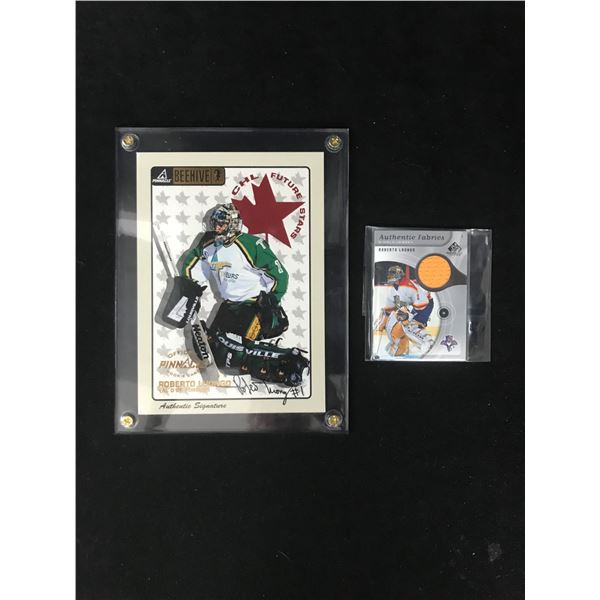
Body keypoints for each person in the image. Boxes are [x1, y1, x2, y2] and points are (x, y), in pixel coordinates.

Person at [180, 203, 309, 386]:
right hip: (228, 305)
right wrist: (190, 288)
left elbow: (280, 275)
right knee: (215, 348)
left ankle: (293, 364)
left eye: (221, 224)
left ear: (233, 224)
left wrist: (271, 302)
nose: (217, 228)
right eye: (215, 223)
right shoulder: (209, 244)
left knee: (238, 354)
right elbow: (192, 265)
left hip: (253, 306)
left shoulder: (250, 244)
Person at [375, 265, 434, 356]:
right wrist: (383, 321)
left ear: (399, 275)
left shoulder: (408, 286)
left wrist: (418, 319)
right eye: (389, 274)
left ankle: (429, 344)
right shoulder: (393, 287)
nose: (389, 276)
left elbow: (422, 303)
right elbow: (389, 308)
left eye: (392, 274)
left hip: (424, 306)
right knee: (398, 323)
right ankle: (404, 347)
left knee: (409, 325)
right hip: (413, 306)